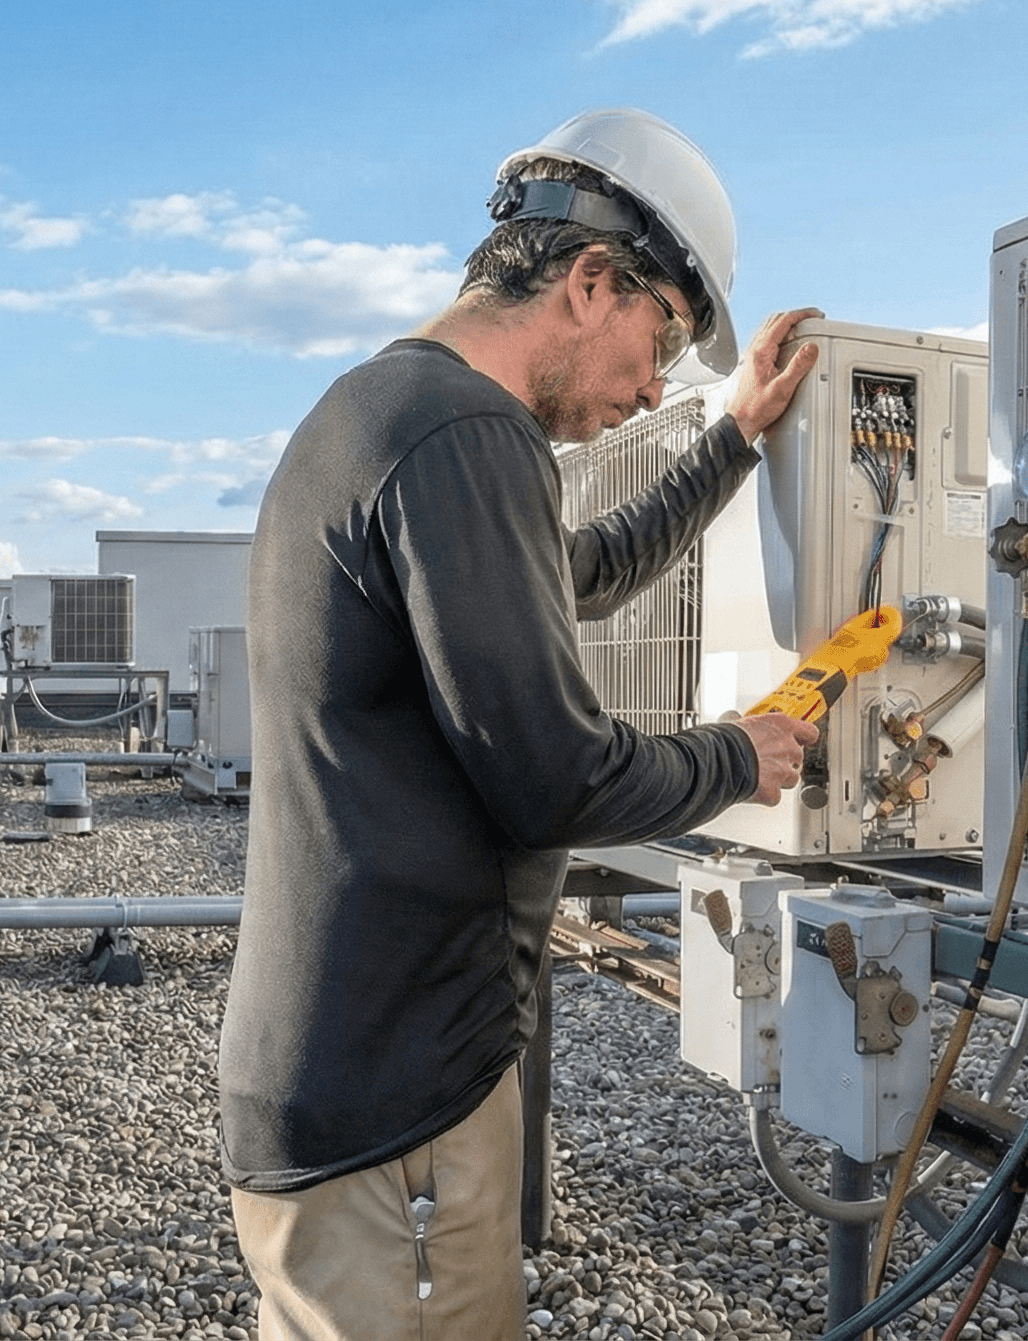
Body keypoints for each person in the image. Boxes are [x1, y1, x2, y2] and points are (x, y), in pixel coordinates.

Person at [216, 107, 825, 1341]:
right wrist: (737, 756)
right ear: (593, 281)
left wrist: (734, 439)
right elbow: (553, 780)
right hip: (401, 1103)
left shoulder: (383, 412)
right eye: (660, 335)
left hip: (338, 1062)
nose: (654, 384)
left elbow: (581, 567)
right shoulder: (467, 435)